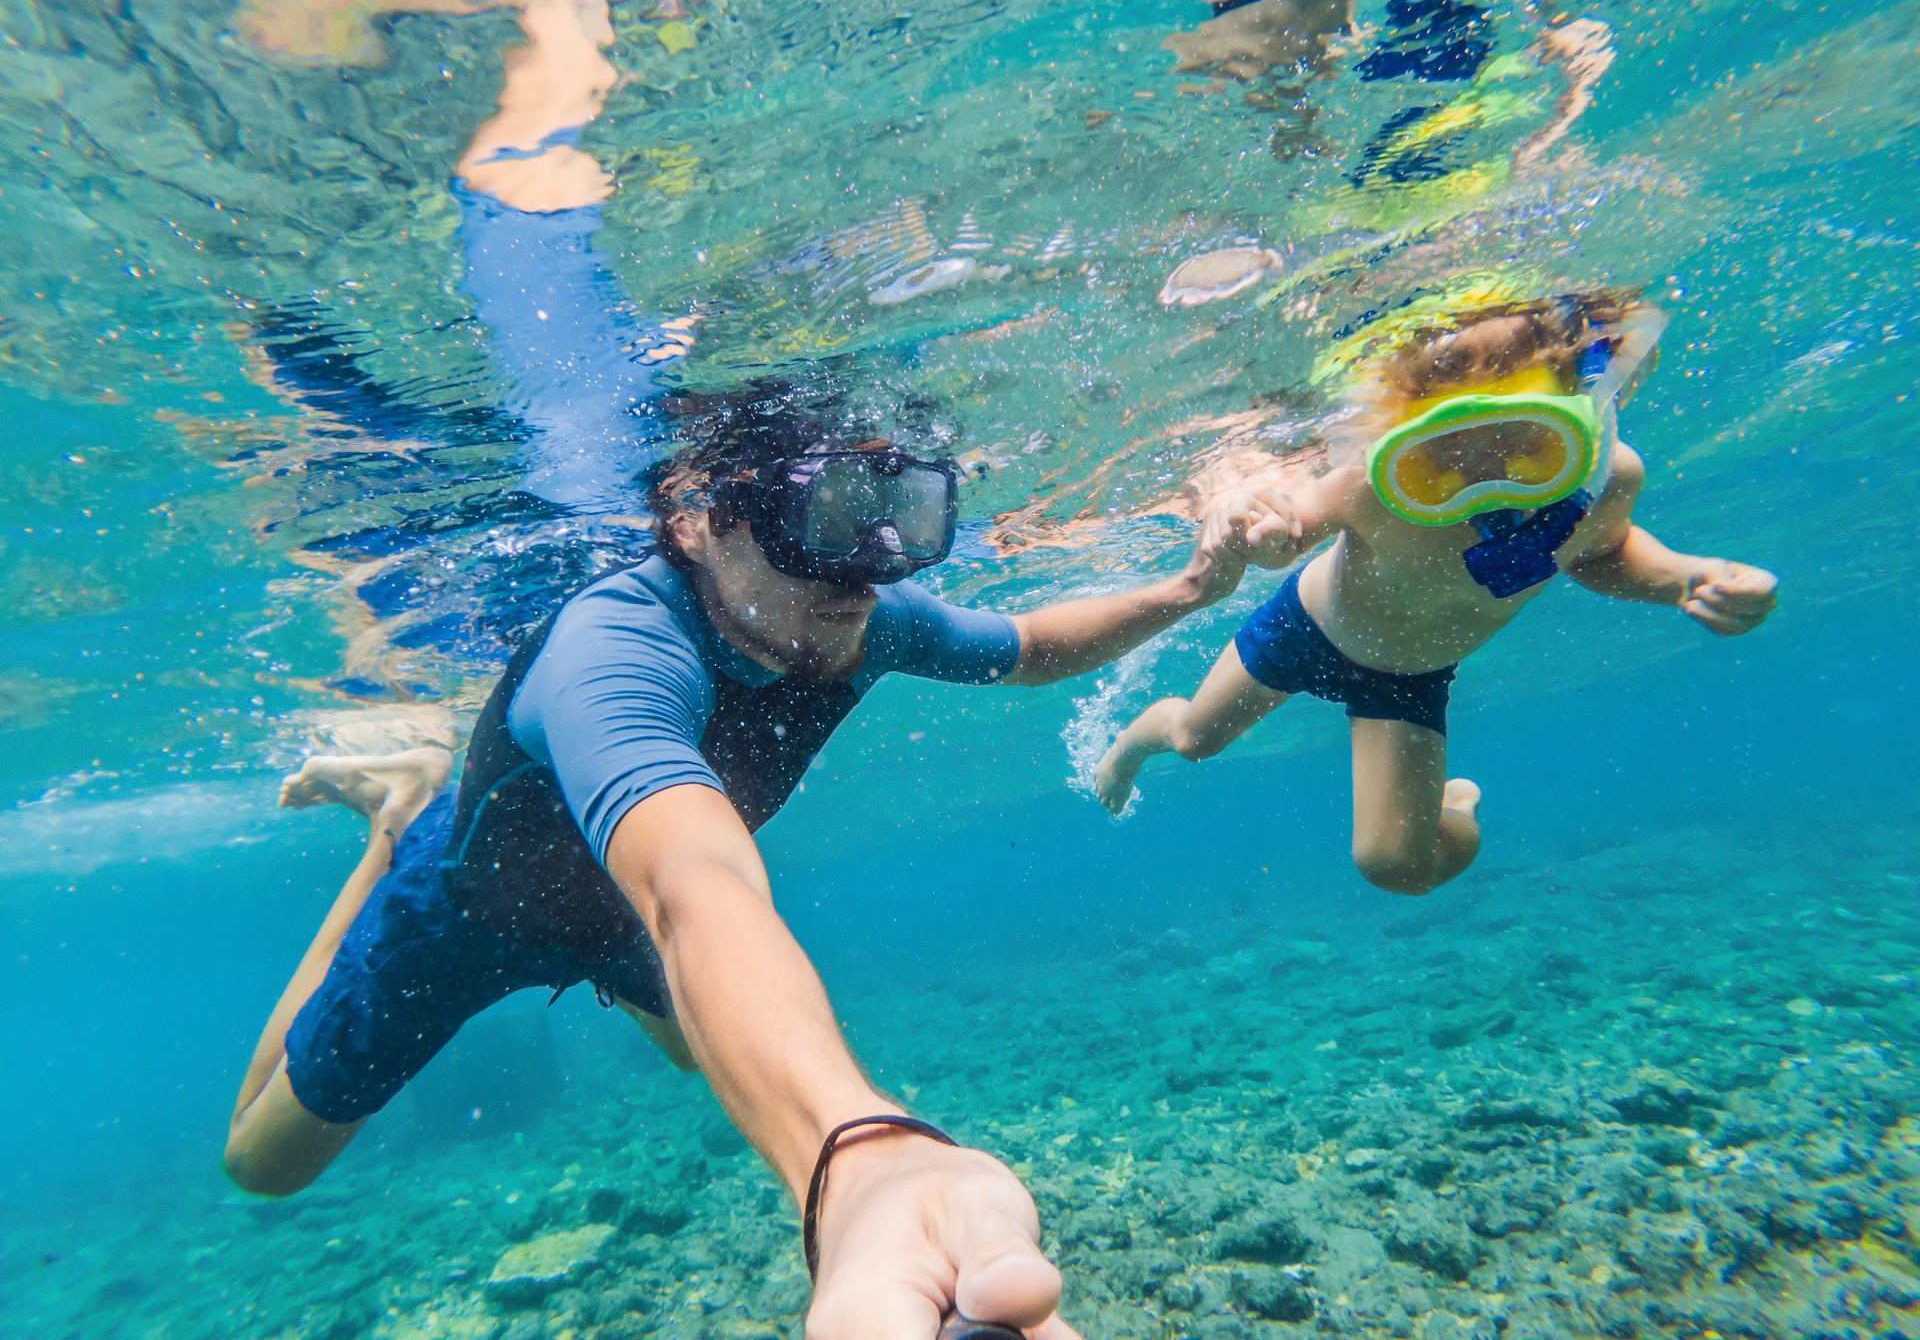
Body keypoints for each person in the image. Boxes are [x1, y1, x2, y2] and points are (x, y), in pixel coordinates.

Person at [224, 409, 1262, 1340]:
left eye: (903, 515)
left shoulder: (865, 620)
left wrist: (1186, 588)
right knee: (262, 1167)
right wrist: (856, 1158)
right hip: (472, 910)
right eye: (828, 518)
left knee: (693, 1055)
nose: (863, 569)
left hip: (622, 920)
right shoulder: (613, 653)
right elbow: (692, 889)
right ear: (697, 519)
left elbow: (1028, 642)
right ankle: (396, 819)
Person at [1093, 290, 1779, 895]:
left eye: (1523, 443)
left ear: (1585, 410)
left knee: (1399, 867)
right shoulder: (1368, 483)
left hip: (1410, 677)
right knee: (1192, 739)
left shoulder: (1607, 480)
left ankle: (1455, 805)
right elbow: (1292, 516)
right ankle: (1132, 743)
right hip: (1305, 626)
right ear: (1401, 436)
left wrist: (1691, 578)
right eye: (1441, 456)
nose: (1485, 480)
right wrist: (1267, 528)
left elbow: (1604, 554)